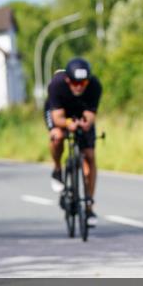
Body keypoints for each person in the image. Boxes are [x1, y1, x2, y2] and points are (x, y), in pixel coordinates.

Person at [47, 57, 102, 224]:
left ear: (88, 81)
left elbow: (90, 116)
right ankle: (57, 168)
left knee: (90, 156)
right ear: (67, 80)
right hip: (60, 113)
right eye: (74, 82)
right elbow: (57, 118)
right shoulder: (56, 85)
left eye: (83, 83)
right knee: (57, 136)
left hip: (81, 113)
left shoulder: (95, 86)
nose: (78, 86)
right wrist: (68, 123)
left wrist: (84, 124)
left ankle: (89, 206)